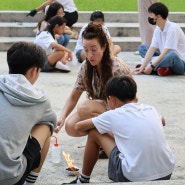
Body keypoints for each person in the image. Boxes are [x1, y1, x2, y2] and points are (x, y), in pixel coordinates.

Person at [62, 76, 175, 184]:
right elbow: (163, 121)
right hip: (166, 172)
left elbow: (78, 126)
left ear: (112, 100)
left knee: (94, 132)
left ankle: (83, 180)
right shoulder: (151, 109)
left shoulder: (113, 115)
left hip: (132, 176)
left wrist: (101, 123)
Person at [56, 23, 132, 137]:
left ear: (104, 47)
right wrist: (61, 118)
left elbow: (131, 100)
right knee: (71, 126)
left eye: (94, 50)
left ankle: (118, 137)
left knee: (84, 108)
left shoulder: (117, 68)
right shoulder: (86, 66)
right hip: (99, 109)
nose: (90, 55)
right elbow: (73, 97)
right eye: (86, 50)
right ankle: (102, 137)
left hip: (120, 112)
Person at [0, 42, 57, 185]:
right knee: (45, 126)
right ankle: (29, 182)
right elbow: (53, 123)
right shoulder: (39, 99)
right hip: (9, 177)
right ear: (33, 71)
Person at [133, 2, 185, 76]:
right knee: (142, 48)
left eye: (151, 15)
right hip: (163, 57)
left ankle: (151, 70)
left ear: (159, 17)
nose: (149, 17)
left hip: (179, 63)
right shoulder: (158, 29)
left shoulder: (173, 29)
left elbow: (166, 52)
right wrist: (142, 66)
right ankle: (162, 69)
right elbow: (152, 48)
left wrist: (151, 66)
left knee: (172, 55)